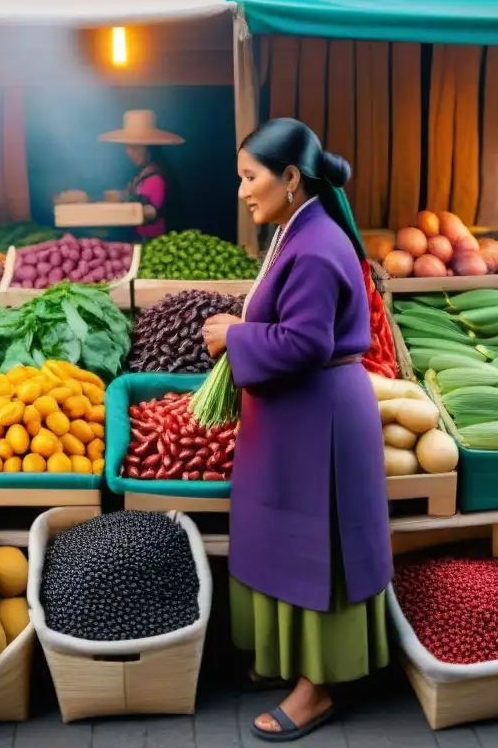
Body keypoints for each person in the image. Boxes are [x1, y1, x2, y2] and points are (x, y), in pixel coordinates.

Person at [201, 118, 391, 742]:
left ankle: (320, 687)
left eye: (249, 177)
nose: (241, 191)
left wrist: (234, 335)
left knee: (319, 548)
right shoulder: (295, 230)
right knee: (281, 535)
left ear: (289, 178)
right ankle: (287, 659)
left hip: (321, 423)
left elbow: (305, 341)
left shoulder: (314, 246)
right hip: (293, 418)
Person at [98, 110, 182, 240]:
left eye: (135, 148)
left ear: (149, 148)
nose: (130, 153)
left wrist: (123, 204)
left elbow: (151, 212)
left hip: (151, 242)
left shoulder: (155, 178)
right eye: (127, 147)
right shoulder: (143, 172)